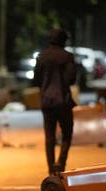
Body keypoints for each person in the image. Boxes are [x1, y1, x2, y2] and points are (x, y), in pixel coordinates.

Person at [33, 28, 77, 174]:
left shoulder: (41, 57)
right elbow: (71, 79)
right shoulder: (67, 56)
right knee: (67, 133)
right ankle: (61, 163)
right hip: (63, 101)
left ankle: (51, 169)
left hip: (47, 102)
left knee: (49, 136)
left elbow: (36, 80)